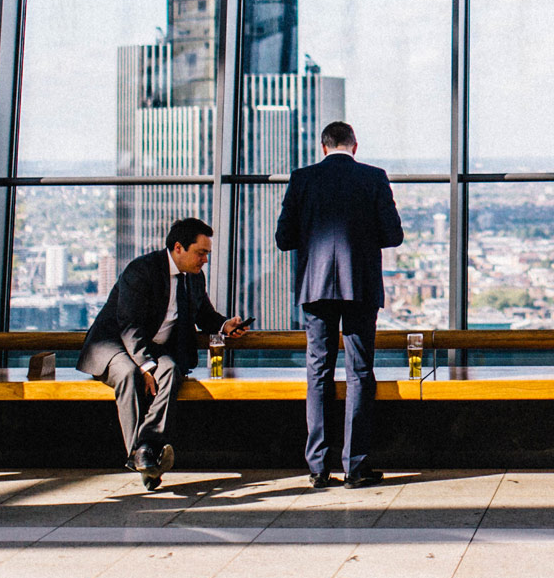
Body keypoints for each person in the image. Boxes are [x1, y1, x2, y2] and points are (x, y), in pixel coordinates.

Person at [75, 217, 250, 491]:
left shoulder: (194, 277)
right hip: (113, 343)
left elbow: (204, 314)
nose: (205, 260)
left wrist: (225, 325)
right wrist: (145, 366)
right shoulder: (141, 270)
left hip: (151, 348)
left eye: (207, 254)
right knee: (129, 373)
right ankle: (144, 455)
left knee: (170, 370)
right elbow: (128, 325)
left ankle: (145, 451)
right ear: (178, 248)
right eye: (201, 252)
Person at [276, 121, 403, 489]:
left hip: (315, 288)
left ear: (323, 147)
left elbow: (284, 239)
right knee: (359, 372)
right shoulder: (374, 177)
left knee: (318, 372)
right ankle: (356, 466)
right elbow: (393, 234)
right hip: (359, 285)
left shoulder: (302, 179)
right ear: (355, 146)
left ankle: (317, 468)